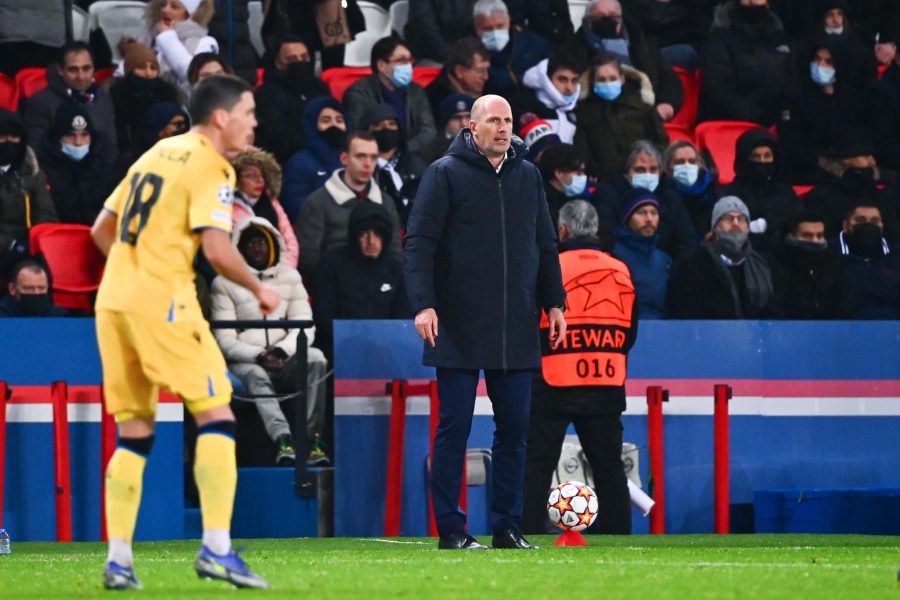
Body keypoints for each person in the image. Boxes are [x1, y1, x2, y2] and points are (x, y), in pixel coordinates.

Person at [90, 75, 275, 590]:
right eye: (249, 112)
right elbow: (217, 250)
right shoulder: (212, 165)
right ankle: (217, 549)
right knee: (217, 413)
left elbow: (100, 231)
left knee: (136, 431)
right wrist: (259, 289)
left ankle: (119, 560)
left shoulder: (156, 153)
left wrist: (133, 272)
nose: (254, 123)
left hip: (113, 302)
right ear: (221, 117)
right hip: (164, 302)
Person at [404, 94, 566, 551]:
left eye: (507, 120)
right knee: (454, 429)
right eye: (493, 120)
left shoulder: (529, 175)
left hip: (515, 325)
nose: (501, 127)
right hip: (456, 324)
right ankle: (452, 530)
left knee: (515, 430)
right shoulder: (444, 174)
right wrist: (424, 304)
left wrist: (555, 301)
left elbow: (546, 244)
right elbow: (419, 244)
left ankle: (507, 527)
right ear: (471, 128)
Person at [522, 199, 635, 535]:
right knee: (609, 468)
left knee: (537, 467)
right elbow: (630, 332)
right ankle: (618, 540)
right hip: (606, 380)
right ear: (595, 230)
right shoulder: (621, 270)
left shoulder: (548, 266)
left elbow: (532, 324)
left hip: (553, 380)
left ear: (562, 230)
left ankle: (524, 535)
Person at [210, 218, 329, 466]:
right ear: (239, 247)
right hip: (247, 362)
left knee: (317, 359)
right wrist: (258, 355)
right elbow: (224, 338)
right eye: (250, 242)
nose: (257, 248)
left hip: (284, 357)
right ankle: (283, 439)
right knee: (255, 374)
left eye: (262, 242)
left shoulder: (291, 277)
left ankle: (312, 440)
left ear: (273, 244)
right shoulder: (223, 282)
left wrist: (281, 351)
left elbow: (305, 325)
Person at [296, 132, 402, 291]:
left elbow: (395, 255)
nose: (368, 164)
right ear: (344, 158)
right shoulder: (317, 202)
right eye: (360, 156)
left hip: (380, 288)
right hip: (334, 287)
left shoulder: (386, 203)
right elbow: (308, 259)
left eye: (373, 158)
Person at [314, 201, 411, 361]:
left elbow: (402, 320)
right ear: (354, 235)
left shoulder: (397, 268)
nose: (371, 240)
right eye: (363, 233)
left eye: (378, 233)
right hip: (339, 351)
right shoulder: (331, 263)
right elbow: (324, 317)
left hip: (387, 351)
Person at [562, 0, 684, 122]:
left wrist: (667, 104)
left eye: (613, 16)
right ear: (587, 21)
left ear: (621, 20)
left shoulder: (641, 44)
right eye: (599, 16)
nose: (607, 20)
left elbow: (669, 79)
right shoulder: (574, 49)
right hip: (596, 118)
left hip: (644, 113)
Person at [669, 196, 781, 318]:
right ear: (715, 227)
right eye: (728, 218)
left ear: (748, 227)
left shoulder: (764, 265)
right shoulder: (693, 266)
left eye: (742, 218)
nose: (735, 223)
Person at [778, 38, 871, 184]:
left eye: (828, 62)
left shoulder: (850, 96)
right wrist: (828, 162)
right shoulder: (793, 96)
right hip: (808, 171)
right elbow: (792, 144)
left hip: (847, 167)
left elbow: (858, 134)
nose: (821, 65)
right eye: (817, 59)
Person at [590, 141, 697, 260]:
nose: (648, 175)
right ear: (626, 172)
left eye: (653, 169)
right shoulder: (607, 195)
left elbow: (687, 242)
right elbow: (607, 237)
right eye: (640, 170)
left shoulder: (671, 198)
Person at [573, 54, 669, 181]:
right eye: (601, 79)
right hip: (606, 179)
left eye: (613, 78)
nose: (608, 83)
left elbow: (661, 142)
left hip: (645, 176)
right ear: (593, 82)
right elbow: (583, 151)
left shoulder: (641, 105)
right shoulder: (584, 113)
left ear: (622, 79)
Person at [21, 42, 118, 165]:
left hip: (97, 176)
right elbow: (35, 150)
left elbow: (110, 147)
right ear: (60, 70)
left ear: (94, 68)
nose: (81, 76)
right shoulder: (41, 102)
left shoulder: (103, 99)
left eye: (86, 68)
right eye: (73, 70)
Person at [699, 0, 794, 125]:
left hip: (784, 121)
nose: (753, 2)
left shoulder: (780, 35)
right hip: (737, 124)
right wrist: (760, 117)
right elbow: (720, 93)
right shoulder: (719, 40)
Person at [343, 37, 437, 158]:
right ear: (381, 65)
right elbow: (359, 132)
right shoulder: (359, 93)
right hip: (373, 157)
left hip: (411, 157)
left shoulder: (416, 91)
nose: (408, 66)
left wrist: (402, 152)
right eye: (402, 61)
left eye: (410, 60)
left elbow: (428, 131)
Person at [803, 129, 899, 242]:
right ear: (846, 159)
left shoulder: (881, 194)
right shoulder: (820, 197)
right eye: (866, 156)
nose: (872, 162)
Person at [254, 35, 330, 165]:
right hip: (290, 161)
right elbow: (279, 139)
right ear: (278, 63)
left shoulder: (318, 87)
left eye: (304, 57)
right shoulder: (266, 94)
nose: (300, 62)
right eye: (292, 59)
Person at [107, 40, 181, 172]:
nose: (148, 73)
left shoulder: (168, 97)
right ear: (130, 70)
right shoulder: (116, 98)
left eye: (153, 68)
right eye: (141, 67)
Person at [37, 104, 116, 226]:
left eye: (84, 135)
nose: (78, 142)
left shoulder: (105, 170)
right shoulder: (42, 172)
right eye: (70, 135)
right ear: (57, 138)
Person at [0, 109, 57, 278]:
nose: (9, 142)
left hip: (27, 248)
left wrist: (37, 244)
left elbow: (46, 216)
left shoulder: (32, 171)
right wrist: (10, 245)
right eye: (2, 137)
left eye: (14, 137)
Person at [722, 128, 800, 245]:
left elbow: (799, 221)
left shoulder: (785, 192)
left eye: (767, 156)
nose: (762, 161)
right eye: (755, 157)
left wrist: (767, 224)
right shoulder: (728, 194)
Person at [357, 103, 427, 225]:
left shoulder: (415, 164)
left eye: (391, 124)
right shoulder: (362, 168)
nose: (386, 129)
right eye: (378, 125)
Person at [231, 149, 299, 269]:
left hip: (280, 271)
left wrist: (284, 270)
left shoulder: (272, 203)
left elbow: (290, 241)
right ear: (236, 179)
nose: (260, 180)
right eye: (251, 176)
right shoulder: (227, 208)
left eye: (262, 175)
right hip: (242, 274)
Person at [281, 97, 348, 220]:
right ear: (312, 125)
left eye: (339, 120)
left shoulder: (354, 159)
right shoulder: (298, 163)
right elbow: (297, 208)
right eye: (326, 120)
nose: (334, 125)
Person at [832, 202, 900, 319]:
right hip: (843, 330)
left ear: (882, 226)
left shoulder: (896, 255)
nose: (868, 225)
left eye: (874, 221)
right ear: (846, 225)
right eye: (860, 220)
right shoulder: (829, 254)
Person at [769, 211, 844, 318]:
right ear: (791, 237)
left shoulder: (835, 266)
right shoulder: (775, 267)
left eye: (820, 236)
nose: (815, 241)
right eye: (807, 236)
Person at [472, 0, 551, 98]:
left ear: (508, 21)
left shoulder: (535, 45)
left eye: (500, 26)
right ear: (477, 28)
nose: (495, 33)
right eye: (488, 28)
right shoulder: (470, 53)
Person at [613, 190, 673, 318]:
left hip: (664, 330)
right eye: (641, 213)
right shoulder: (615, 257)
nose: (649, 219)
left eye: (654, 213)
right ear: (627, 219)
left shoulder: (665, 260)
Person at [136, 0, 219, 85]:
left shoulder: (205, 42)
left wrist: (167, 38)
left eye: (174, 6)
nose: (165, 10)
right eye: (163, 5)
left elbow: (191, 74)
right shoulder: (148, 34)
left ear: (190, 14)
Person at [660, 140, 722, 240]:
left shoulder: (714, 191)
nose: (687, 166)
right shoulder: (661, 195)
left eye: (692, 161)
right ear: (668, 166)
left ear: (699, 165)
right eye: (679, 162)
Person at [517, 53, 583, 143]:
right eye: (562, 80)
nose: (569, 88)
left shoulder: (577, 113)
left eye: (574, 81)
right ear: (547, 79)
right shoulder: (523, 106)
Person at [425, 38, 491, 123]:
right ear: (459, 71)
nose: (486, 77)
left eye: (487, 69)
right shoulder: (433, 99)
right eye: (479, 71)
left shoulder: (492, 90)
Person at [535, 143, 591, 234]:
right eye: (579, 172)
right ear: (559, 173)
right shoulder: (540, 209)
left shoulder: (579, 198)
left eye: (583, 172)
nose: (583, 177)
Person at [0, 259, 67, 317]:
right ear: (12, 289)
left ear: (47, 288)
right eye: (29, 288)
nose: (36, 293)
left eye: (41, 288)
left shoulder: (58, 315)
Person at [425, 93, 474, 163]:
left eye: (468, 117)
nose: (464, 124)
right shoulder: (431, 147)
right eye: (456, 118)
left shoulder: (483, 144)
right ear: (446, 121)